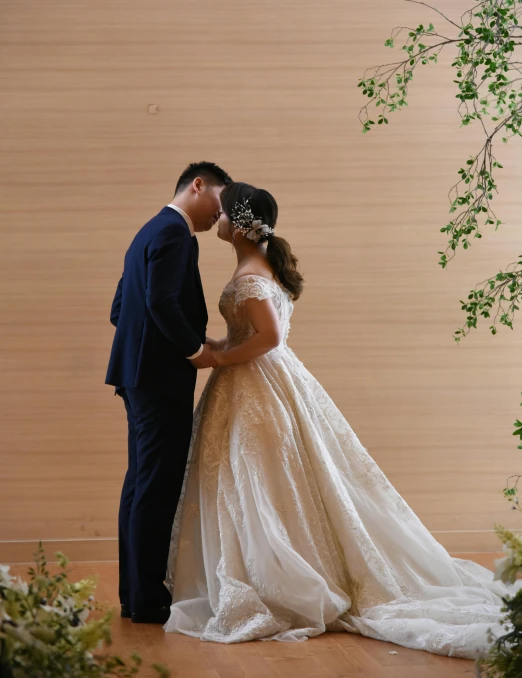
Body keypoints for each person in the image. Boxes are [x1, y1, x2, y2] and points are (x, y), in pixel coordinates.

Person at [164, 180, 522, 658]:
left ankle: (278, 580)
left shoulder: (251, 274)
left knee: (256, 480)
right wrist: (223, 347)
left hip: (257, 386)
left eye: (224, 213)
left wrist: (221, 358)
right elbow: (257, 334)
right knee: (263, 482)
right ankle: (274, 568)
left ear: (240, 225)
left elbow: (268, 337)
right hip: (267, 382)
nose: (217, 218)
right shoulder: (261, 266)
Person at [106, 161, 232, 624]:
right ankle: (147, 600)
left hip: (136, 375)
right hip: (160, 381)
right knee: (155, 488)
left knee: (140, 483)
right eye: (220, 200)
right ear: (198, 185)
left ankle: (134, 595)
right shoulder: (176, 233)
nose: (220, 215)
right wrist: (194, 349)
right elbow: (159, 301)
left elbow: (121, 308)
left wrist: (148, 348)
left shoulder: (147, 231)